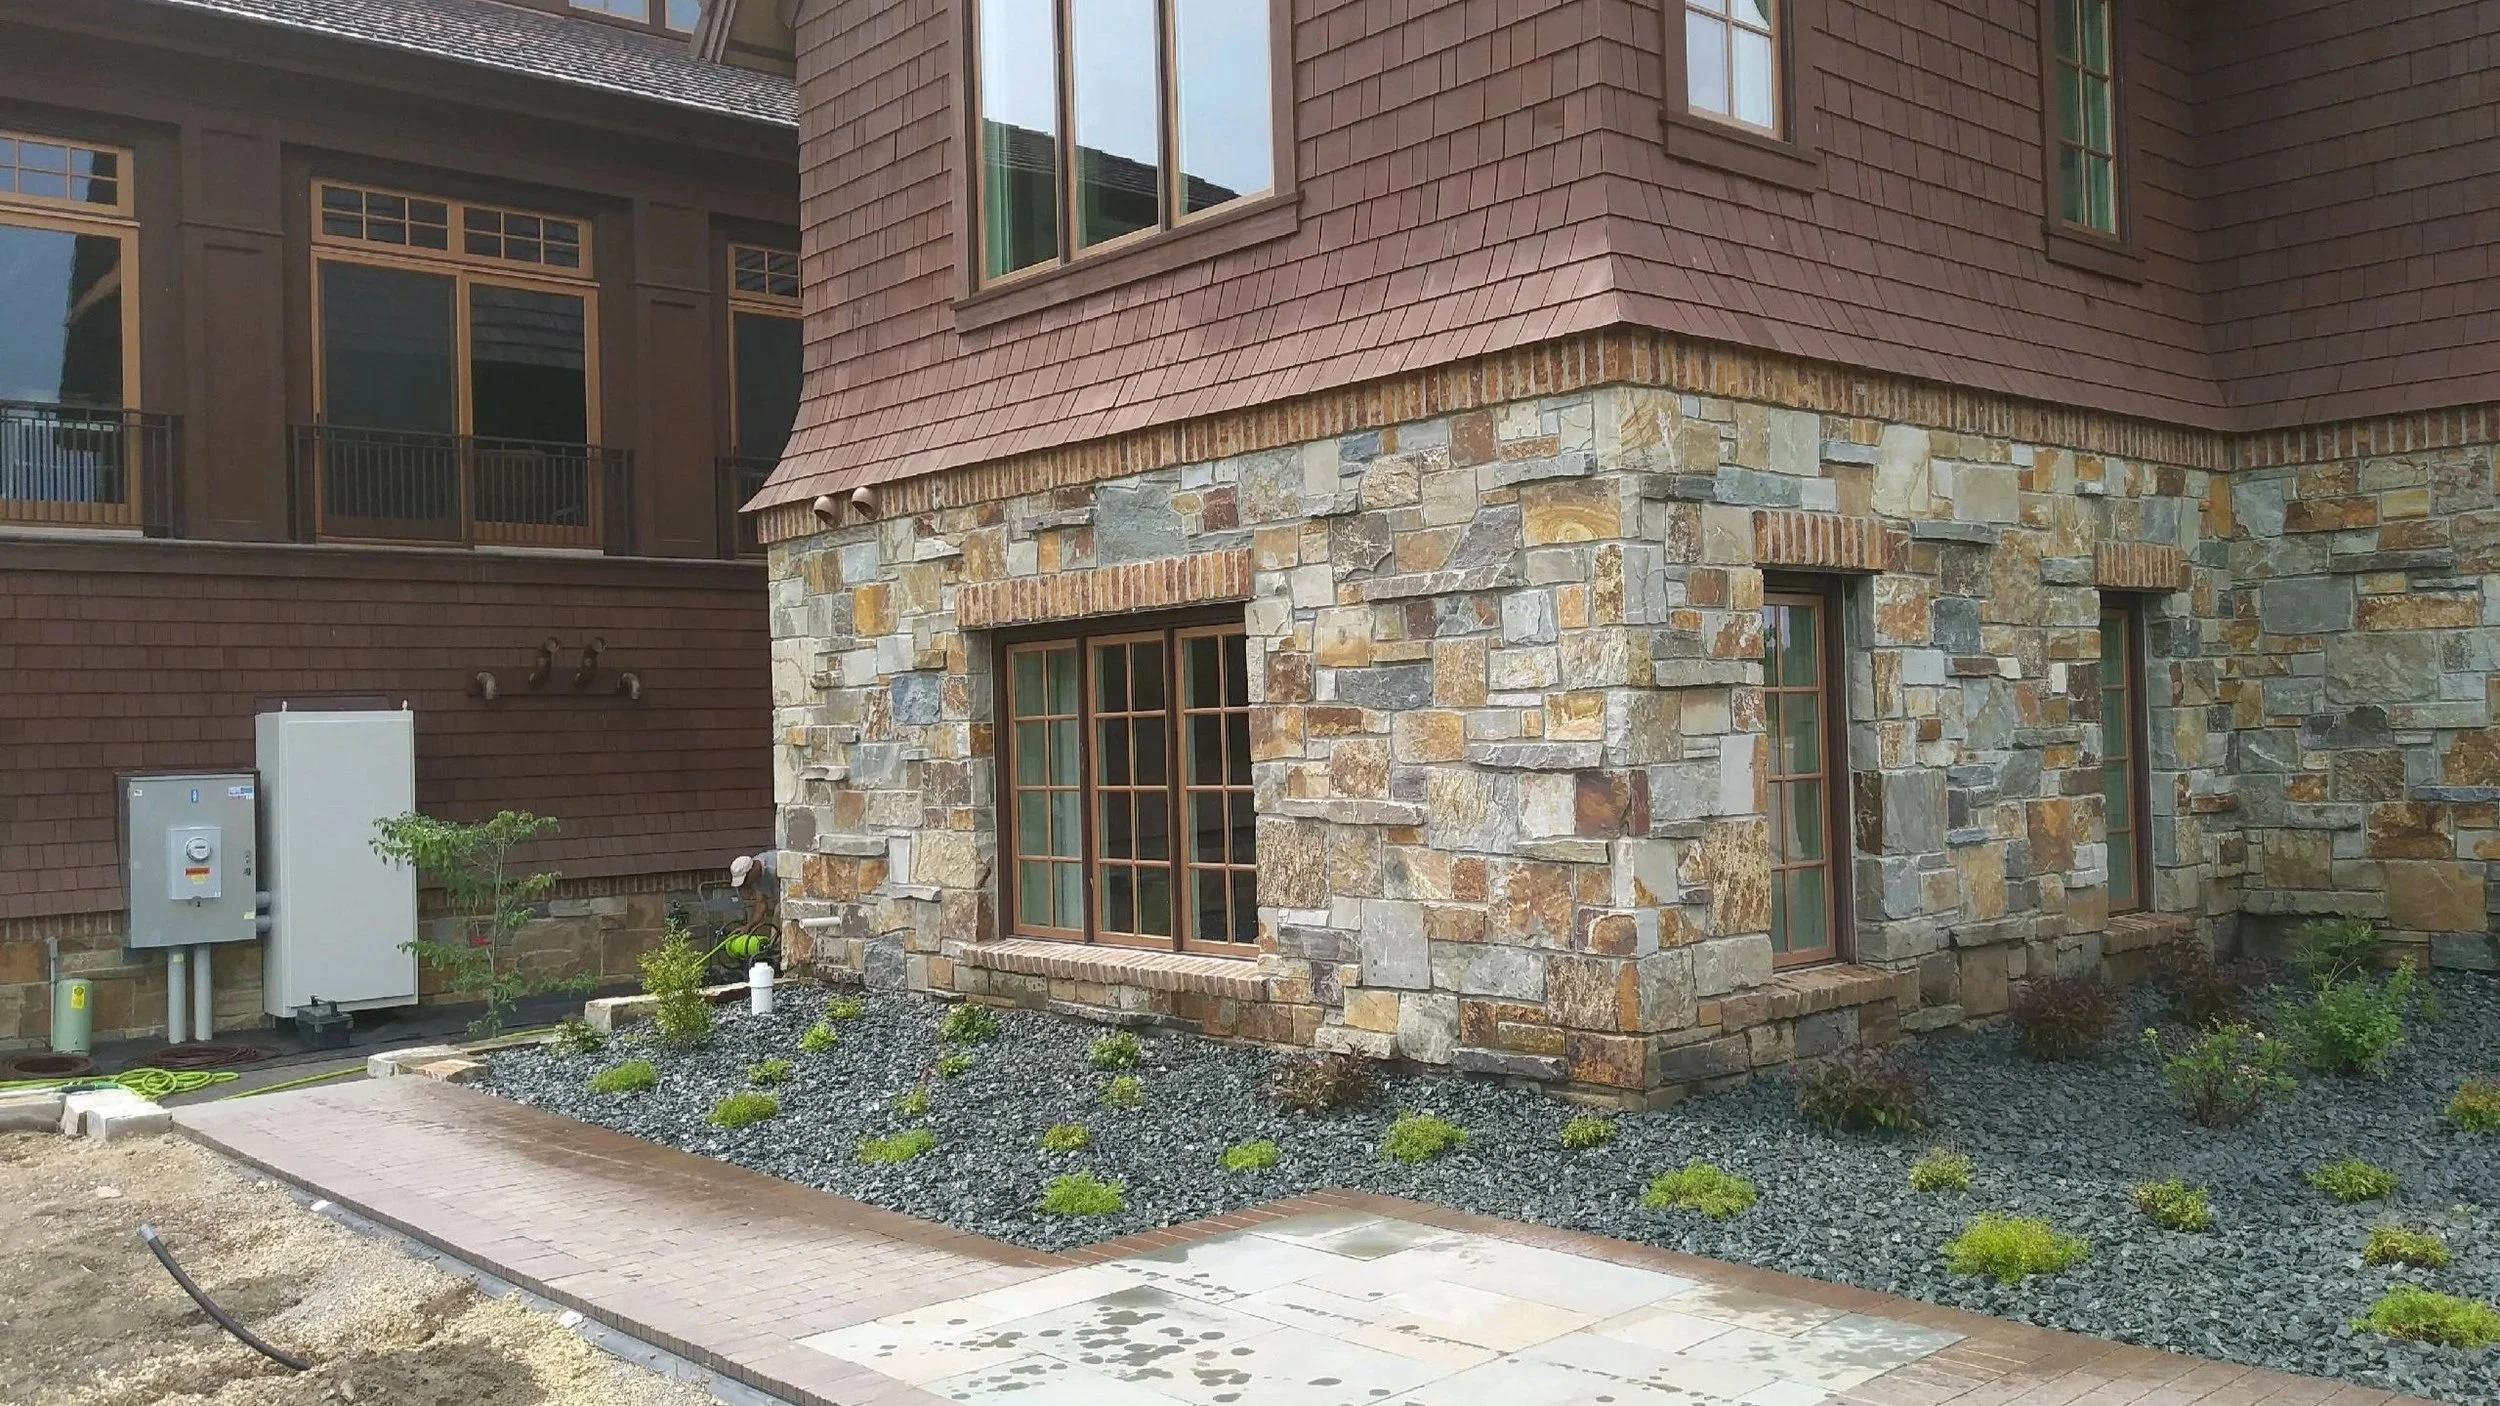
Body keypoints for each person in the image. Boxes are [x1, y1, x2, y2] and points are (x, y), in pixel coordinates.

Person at [728, 850, 778, 933]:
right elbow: (760, 904)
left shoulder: (774, 867)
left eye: (745, 880)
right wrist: (748, 926)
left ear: (752, 870)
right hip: (782, 897)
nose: (746, 884)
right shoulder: (756, 875)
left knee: (779, 914)